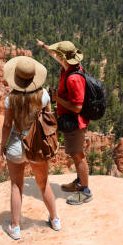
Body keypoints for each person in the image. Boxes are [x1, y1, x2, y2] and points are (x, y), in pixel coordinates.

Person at [0, 55, 60, 240]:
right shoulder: (44, 96)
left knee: (16, 186)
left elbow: (7, 125)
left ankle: (15, 228)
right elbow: (48, 120)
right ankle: (55, 219)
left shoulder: (11, 99)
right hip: (37, 146)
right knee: (44, 184)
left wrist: (2, 146)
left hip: (17, 145)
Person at [37, 39, 93, 205]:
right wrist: (44, 46)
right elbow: (54, 55)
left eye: (59, 55)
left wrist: (56, 98)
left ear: (64, 57)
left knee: (78, 156)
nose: (57, 57)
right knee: (75, 154)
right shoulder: (69, 67)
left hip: (76, 122)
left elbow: (77, 107)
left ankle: (85, 191)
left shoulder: (73, 79)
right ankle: (79, 183)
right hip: (71, 120)